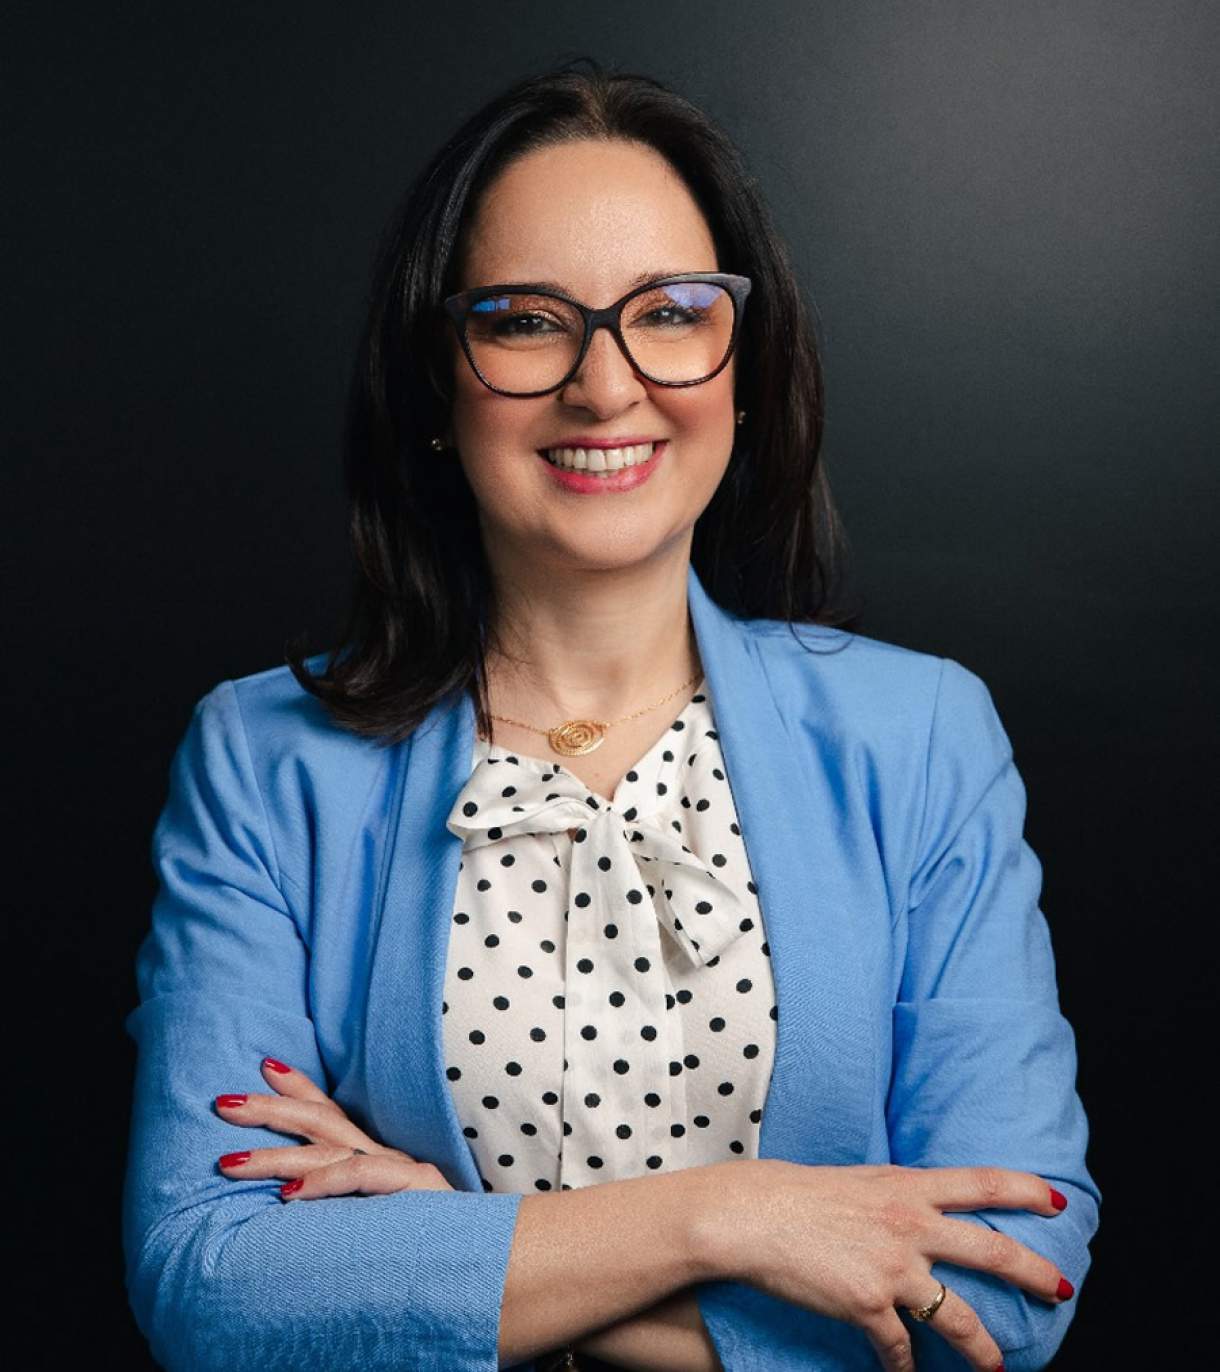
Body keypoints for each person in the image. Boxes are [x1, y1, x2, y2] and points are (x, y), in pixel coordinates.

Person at [122, 59, 1100, 1372]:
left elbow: (1011, 1289)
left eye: (672, 312)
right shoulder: (261, 760)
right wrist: (729, 1219)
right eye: (527, 320)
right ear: (437, 382)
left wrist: (454, 1248)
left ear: (742, 368)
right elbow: (213, 1279)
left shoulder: (922, 736)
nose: (605, 385)